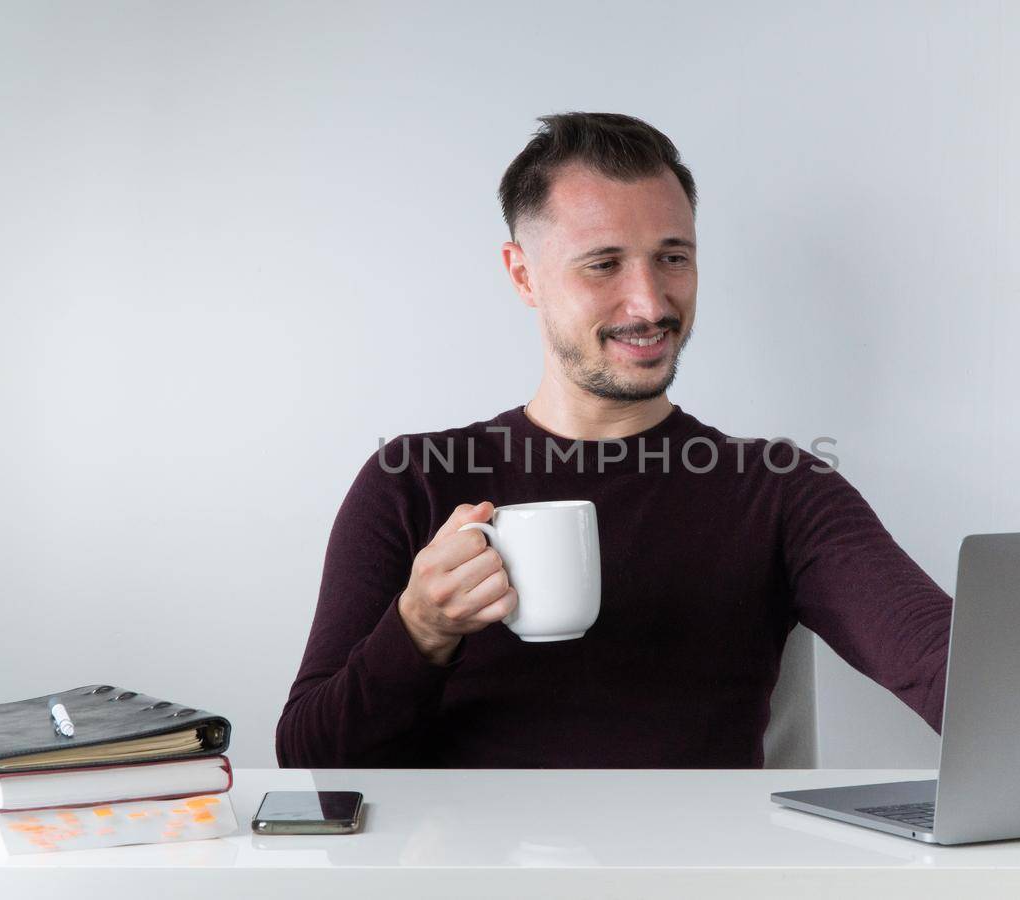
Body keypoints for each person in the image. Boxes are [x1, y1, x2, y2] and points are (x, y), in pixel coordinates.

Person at [275, 112, 953, 768]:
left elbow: (941, 663)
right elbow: (309, 756)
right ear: (523, 275)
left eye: (673, 257)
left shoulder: (779, 490)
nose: (651, 303)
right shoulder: (415, 479)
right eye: (604, 264)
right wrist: (420, 629)